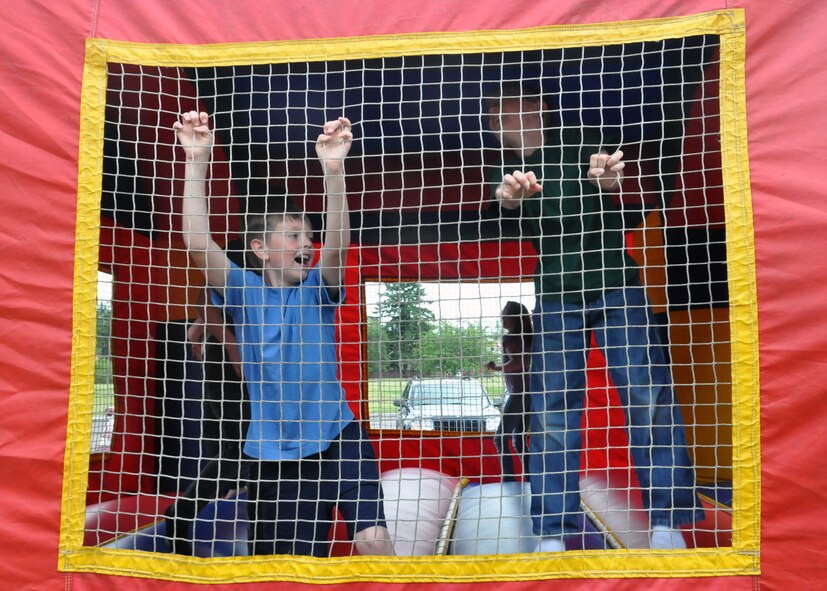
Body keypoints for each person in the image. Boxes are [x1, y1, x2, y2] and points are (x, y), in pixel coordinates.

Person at [486, 81, 704, 552]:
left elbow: (611, 180)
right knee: (551, 412)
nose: (500, 122)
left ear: (538, 109)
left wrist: (608, 179)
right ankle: (552, 530)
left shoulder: (580, 139)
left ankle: (668, 520)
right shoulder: (504, 166)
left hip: (617, 287)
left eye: (506, 111)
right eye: (495, 117)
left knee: (648, 396)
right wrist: (511, 195)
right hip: (558, 297)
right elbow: (504, 201)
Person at [174, 110, 394, 557]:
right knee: (291, 563)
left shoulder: (316, 290)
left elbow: (337, 245)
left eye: (307, 236)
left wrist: (334, 172)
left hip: (338, 438)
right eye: (293, 236)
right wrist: (197, 164)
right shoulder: (244, 292)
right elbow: (199, 245)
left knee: (374, 541)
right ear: (260, 250)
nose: (305, 244)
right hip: (274, 457)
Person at [163, 288, 250, 556]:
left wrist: (199, 329)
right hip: (230, 358)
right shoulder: (244, 252)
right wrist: (233, 348)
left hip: (241, 352)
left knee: (244, 444)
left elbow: (220, 305)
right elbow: (205, 299)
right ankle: (180, 513)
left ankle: (237, 489)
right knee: (239, 448)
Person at [485, 301, 532, 482]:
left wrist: (496, 367)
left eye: (504, 313)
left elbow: (516, 363)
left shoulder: (510, 338)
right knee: (519, 441)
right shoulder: (529, 336)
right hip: (530, 392)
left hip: (519, 393)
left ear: (512, 318)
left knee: (500, 438)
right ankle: (531, 480)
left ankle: (509, 482)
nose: (501, 317)